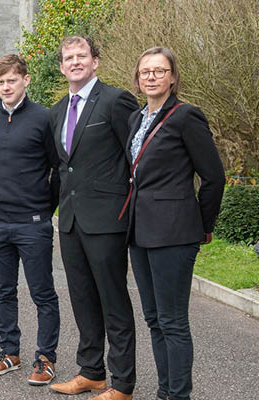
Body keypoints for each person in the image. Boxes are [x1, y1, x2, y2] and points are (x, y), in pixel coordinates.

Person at [125, 47, 224, 400]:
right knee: (153, 318)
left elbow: (213, 177)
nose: (151, 77)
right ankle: (165, 391)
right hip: (140, 232)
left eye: (159, 71)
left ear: (172, 77)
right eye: (145, 71)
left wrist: (202, 225)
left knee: (173, 321)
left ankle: (179, 395)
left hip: (174, 232)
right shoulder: (136, 119)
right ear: (138, 79)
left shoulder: (185, 117)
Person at [46, 36, 139, 400]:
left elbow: (136, 158)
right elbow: (62, 167)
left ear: (95, 61)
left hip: (106, 220)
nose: (75, 62)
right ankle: (91, 373)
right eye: (68, 57)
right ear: (61, 66)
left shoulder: (116, 101)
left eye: (81, 55)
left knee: (114, 302)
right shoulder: (57, 111)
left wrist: (131, 210)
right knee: (83, 299)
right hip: (70, 222)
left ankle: (122, 383)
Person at [0, 54, 61, 386]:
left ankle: (46, 357)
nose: (5, 87)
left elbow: (57, 167)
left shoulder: (44, 118)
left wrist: (44, 208)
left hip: (33, 222)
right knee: (3, 291)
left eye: (11, 80)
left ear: (26, 80)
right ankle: (9, 352)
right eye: (0, 82)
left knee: (43, 293)